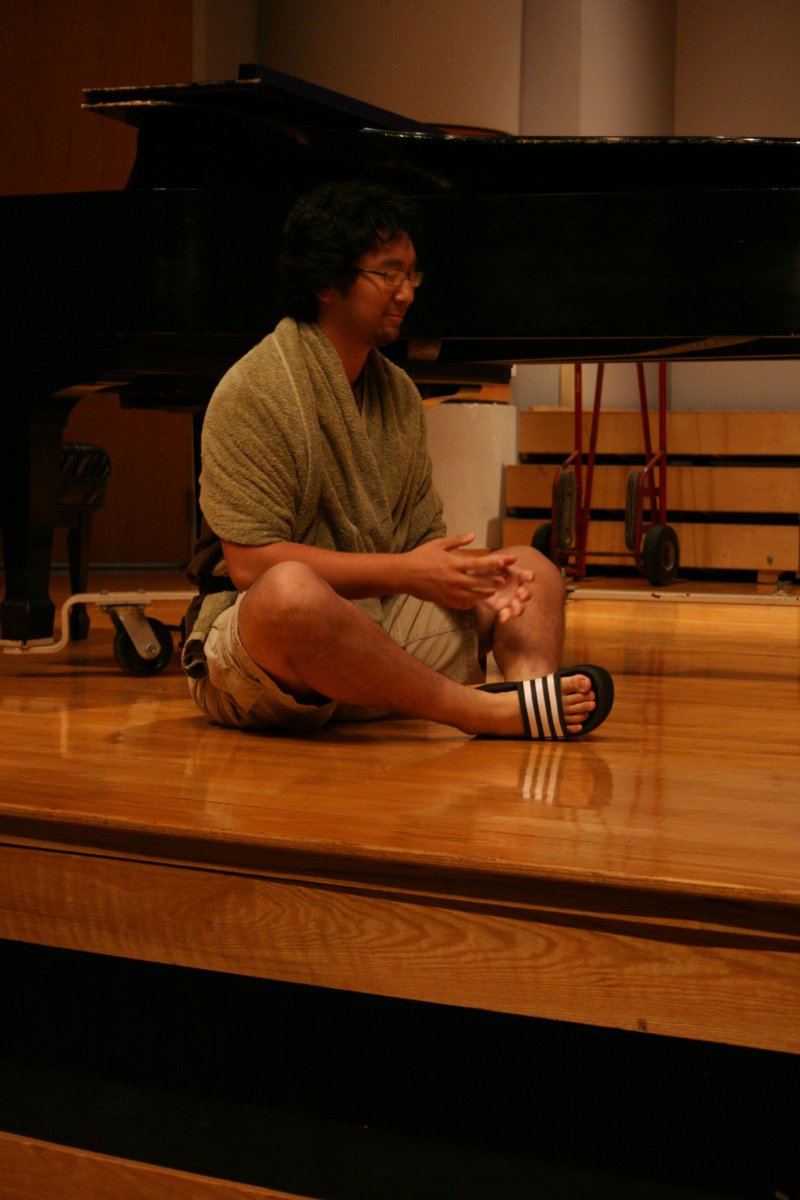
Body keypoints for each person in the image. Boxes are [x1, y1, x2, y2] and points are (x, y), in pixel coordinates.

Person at [182, 181, 613, 739]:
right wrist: (407, 572)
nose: (406, 293)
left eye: (412, 276)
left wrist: (475, 580)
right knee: (289, 592)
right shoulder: (255, 389)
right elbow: (249, 566)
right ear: (325, 282)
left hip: (376, 633)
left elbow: (421, 543)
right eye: (388, 274)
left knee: (534, 569)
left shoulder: (398, 394)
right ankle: (475, 711)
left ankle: (531, 698)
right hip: (268, 662)